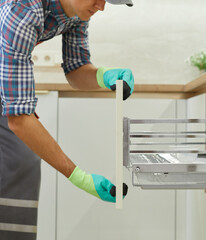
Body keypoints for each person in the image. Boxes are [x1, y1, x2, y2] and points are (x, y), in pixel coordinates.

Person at [0, 0, 134, 239]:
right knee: (20, 159)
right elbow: (19, 120)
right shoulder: (24, 10)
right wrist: (80, 178)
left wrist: (104, 76)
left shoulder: (77, 11)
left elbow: (76, 69)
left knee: (23, 164)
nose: (101, 7)